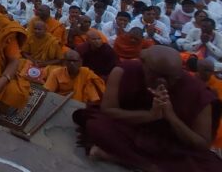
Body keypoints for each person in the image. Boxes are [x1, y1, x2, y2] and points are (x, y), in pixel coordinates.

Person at [73, 46, 222, 172]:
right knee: (97, 124)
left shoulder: (198, 92)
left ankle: (123, 159)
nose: (162, 81)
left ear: (180, 73)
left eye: (170, 77)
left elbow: (202, 143)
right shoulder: (124, 71)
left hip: (172, 143)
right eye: (156, 75)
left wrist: (170, 116)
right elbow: (108, 109)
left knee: (213, 167)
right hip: (131, 129)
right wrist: (151, 115)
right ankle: (152, 166)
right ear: (143, 64)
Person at [196, 58, 222, 155]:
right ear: (198, 69)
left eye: (210, 70)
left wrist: (215, 99)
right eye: (205, 70)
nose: (208, 73)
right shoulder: (191, 79)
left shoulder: (219, 84)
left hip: (215, 121)